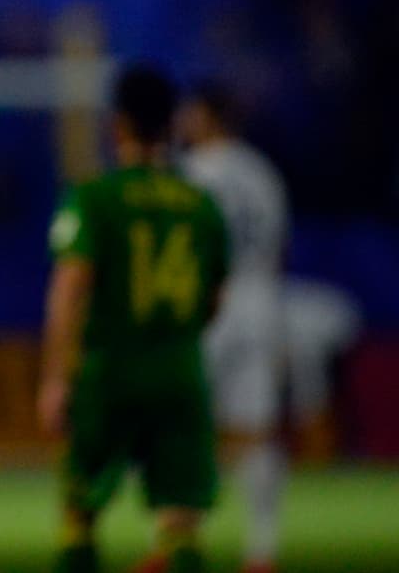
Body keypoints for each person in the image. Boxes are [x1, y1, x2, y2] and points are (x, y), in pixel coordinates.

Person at [40, 64, 229, 573]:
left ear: (117, 124)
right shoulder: (202, 205)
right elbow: (214, 302)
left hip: (109, 375)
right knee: (181, 525)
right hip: (179, 375)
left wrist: (57, 378)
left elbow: (69, 291)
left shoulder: (96, 198)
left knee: (79, 515)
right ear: (173, 125)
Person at [176, 80, 291, 573]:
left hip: (209, 303)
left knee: (187, 422)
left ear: (207, 117)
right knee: (256, 429)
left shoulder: (189, 174)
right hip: (260, 298)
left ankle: (182, 541)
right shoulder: (263, 173)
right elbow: (278, 245)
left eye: (190, 113)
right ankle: (261, 550)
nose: (183, 121)